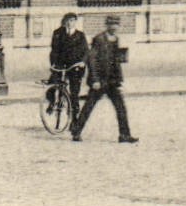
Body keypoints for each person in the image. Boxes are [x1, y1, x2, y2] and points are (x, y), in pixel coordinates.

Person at [70, 15, 137, 143]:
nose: (114, 27)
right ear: (107, 25)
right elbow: (92, 60)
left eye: (116, 24)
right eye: (112, 24)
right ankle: (76, 131)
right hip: (100, 81)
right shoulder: (99, 39)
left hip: (112, 81)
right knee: (89, 106)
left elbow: (115, 61)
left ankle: (124, 135)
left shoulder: (116, 39)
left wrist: (119, 80)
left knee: (121, 108)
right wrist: (95, 80)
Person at [49, 12, 89, 113]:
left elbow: (86, 51)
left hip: (75, 66)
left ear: (75, 22)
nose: (70, 23)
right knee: (52, 84)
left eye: (72, 21)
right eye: (68, 20)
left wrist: (83, 62)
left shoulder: (80, 35)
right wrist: (53, 63)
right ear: (65, 22)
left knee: (74, 91)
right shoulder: (59, 33)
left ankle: (74, 111)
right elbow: (54, 50)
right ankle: (52, 103)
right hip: (61, 64)